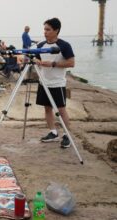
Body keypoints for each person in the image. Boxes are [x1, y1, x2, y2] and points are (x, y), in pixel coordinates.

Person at [35, 18, 75, 148]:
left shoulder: (64, 45)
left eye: (48, 29)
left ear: (56, 30)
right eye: (44, 29)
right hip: (43, 82)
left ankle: (66, 135)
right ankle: (53, 132)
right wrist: (36, 61)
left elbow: (71, 63)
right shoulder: (40, 46)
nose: (45, 32)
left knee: (61, 109)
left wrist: (53, 64)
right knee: (47, 108)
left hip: (57, 83)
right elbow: (36, 57)